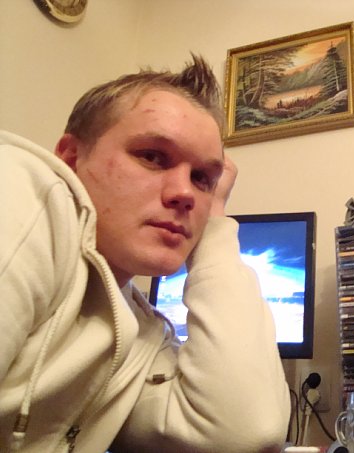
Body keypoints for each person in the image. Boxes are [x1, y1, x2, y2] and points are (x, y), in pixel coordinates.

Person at [0, 54, 290, 453]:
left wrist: (215, 221)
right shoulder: (19, 189)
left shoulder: (141, 332)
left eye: (202, 178)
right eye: (152, 156)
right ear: (70, 159)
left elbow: (243, 431)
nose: (185, 194)